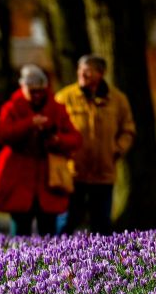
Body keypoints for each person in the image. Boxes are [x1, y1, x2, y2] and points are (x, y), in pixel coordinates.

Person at [0, 64, 82, 236]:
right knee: (19, 231)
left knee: (48, 232)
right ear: (23, 88)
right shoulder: (11, 108)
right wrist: (29, 124)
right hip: (18, 175)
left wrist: (57, 140)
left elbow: (75, 139)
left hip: (49, 177)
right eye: (32, 91)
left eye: (41, 91)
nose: (37, 95)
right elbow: (2, 134)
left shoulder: (57, 109)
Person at [55, 54, 136, 235]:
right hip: (72, 172)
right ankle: (55, 259)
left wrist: (117, 149)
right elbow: (53, 128)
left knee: (101, 224)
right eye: (80, 70)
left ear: (101, 73)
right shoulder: (64, 97)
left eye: (88, 70)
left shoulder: (118, 100)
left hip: (103, 173)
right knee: (66, 222)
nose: (82, 74)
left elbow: (128, 129)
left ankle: (101, 261)